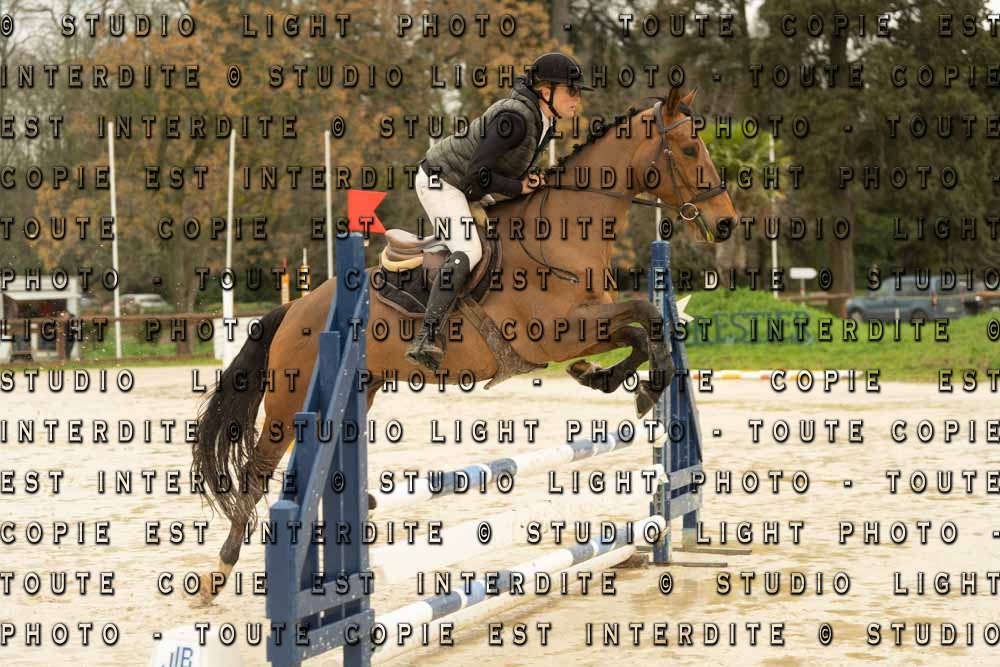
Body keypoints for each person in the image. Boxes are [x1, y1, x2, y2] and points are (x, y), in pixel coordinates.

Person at [405, 52, 592, 371]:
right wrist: (519, 187)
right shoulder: (515, 119)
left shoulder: (543, 120)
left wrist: (531, 182)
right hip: (442, 180)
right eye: (571, 90)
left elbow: (498, 172)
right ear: (545, 91)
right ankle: (426, 336)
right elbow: (475, 178)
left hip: (470, 183)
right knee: (469, 249)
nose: (577, 98)